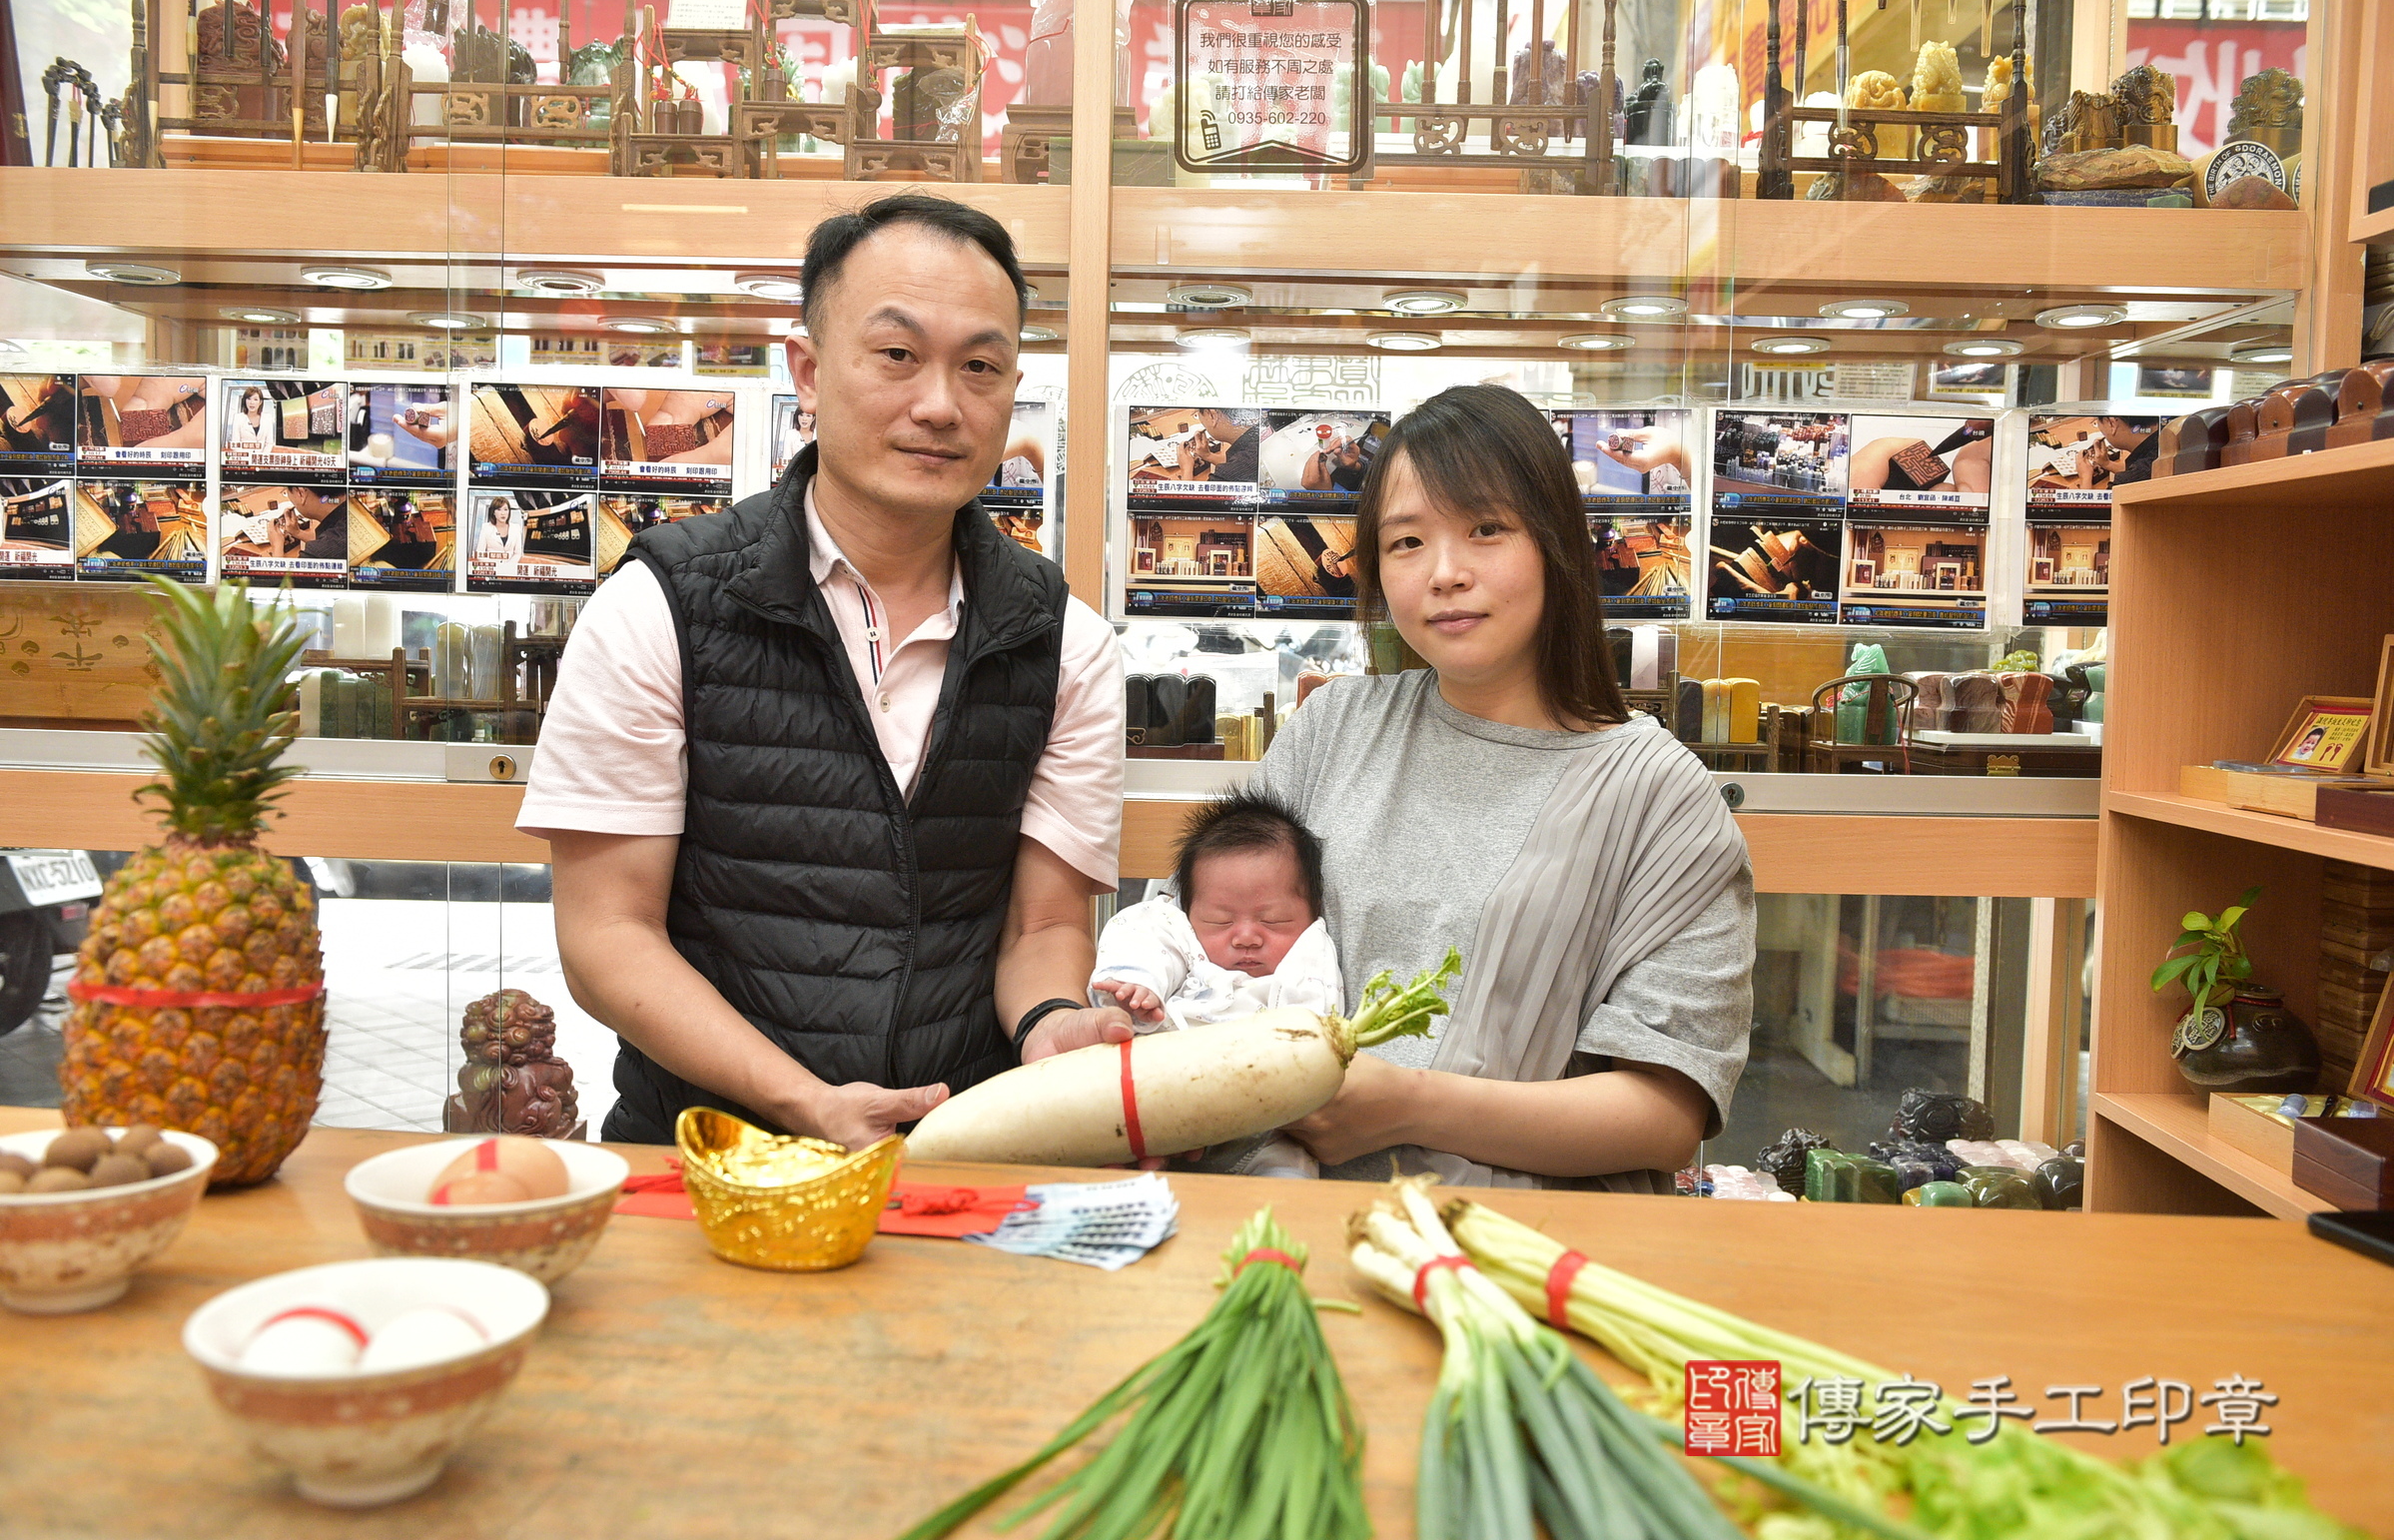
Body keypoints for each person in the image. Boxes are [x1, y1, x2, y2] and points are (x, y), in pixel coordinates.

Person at [517, 194, 1127, 1150]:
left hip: (963, 1151)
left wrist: (1053, 1022)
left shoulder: (1065, 642)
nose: (939, 403)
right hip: (703, 1153)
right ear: (806, 368)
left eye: (980, 366)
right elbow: (606, 937)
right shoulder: (661, 605)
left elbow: (1039, 929)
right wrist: (805, 1101)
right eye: (896, 355)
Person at [1252, 383, 1755, 1190]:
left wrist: (1414, 1105)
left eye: (1485, 529)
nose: (1444, 574)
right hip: (1296, 1231)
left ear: (1555, 540)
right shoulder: (1329, 731)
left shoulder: (1660, 797)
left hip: (1531, 1260)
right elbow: (1201, 946)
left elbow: (1666, 1117)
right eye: (1406, 542)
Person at [1089, 788, 1337, 1177]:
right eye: (1221, 921)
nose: (1246, 937)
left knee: (1290, 1181)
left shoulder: (1310, 953)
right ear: (1188, 910)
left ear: (1313, 913)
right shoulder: (1182, 936)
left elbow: (1314, 1030)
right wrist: (1139, 985)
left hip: (1266, 1129)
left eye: (1272, 920)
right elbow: (1144, 934)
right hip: (1164, 1101)